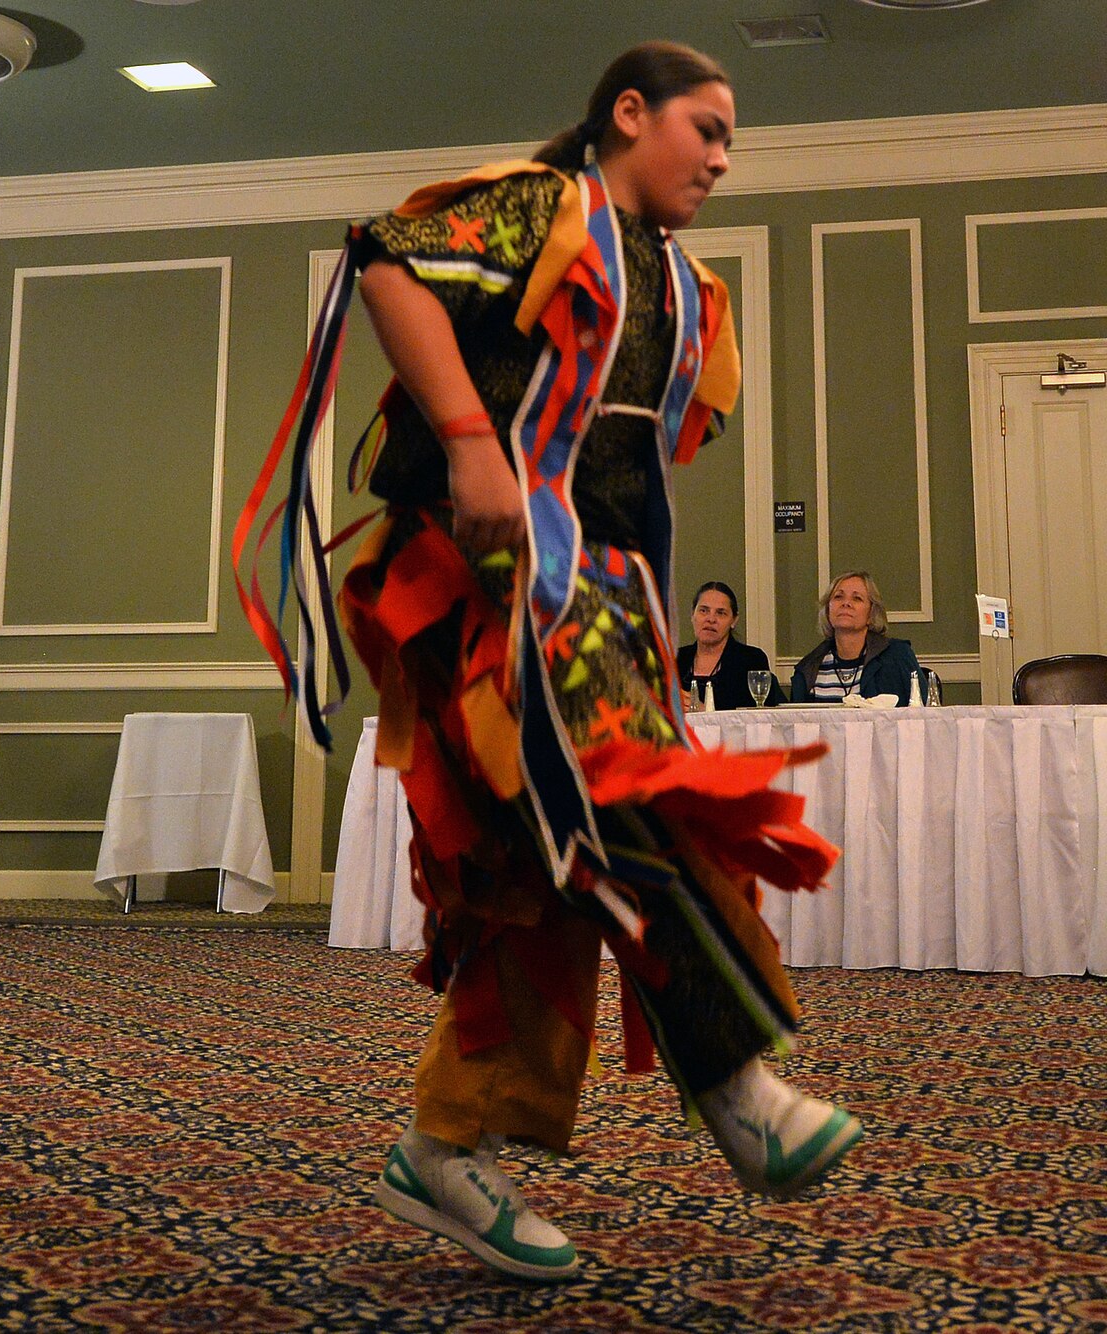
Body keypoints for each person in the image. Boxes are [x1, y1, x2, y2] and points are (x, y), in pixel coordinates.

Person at [238, 42, 856, 1283]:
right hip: (479, 594)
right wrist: (470, 442)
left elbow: (653, 443)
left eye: (735, 139)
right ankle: (732, 1076)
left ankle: (445, 1146)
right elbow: (387, 262)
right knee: (610, 806)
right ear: (627, 114)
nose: (724, 157)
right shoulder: (539, 205)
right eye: (707, 127)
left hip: (598, 599)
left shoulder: (677, 283)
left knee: (535, 877)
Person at [791, 570, 922, 704]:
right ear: (827, 610)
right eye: (838, 597)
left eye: (857, 598)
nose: (846, 603)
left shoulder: (898, 656)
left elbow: (924, 715)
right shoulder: (808, 667)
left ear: (871, 614)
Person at [676, 580, 784, 710]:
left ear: (734, 620)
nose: (711, 619)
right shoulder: (674, 659)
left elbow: (760, 718)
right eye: (703, 611)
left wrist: (707, 712)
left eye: (720, 613)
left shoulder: (751, 660)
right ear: (692, 615)